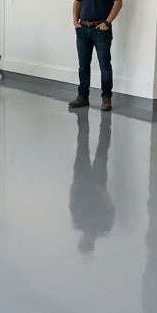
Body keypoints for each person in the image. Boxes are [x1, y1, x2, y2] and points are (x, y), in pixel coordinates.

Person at [70, 0, 123, 112]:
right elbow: (77, 1)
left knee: (104, 65)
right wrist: (75, 21)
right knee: (83, 65)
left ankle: (106, 99)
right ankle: (82, 97)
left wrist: (107, 22)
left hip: (101, 30)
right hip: (82, 29)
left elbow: (118, 2)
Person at [69, 108, 114, 255]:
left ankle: (83, 120)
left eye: (82, 244)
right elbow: (110, 210)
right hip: (97, 185)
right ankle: (106, 122)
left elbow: (72, 204)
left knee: (82, 148)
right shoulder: (103, 229)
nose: (84, 241)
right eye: (86, 245)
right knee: (102, 149)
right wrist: (103, 193)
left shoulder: (78, 223)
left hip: (81, 182)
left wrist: (73, 186)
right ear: (91, 245)